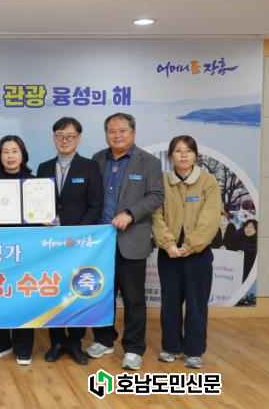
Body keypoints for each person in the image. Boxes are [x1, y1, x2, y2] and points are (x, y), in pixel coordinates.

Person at [85, 113, 164, 371]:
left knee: (133, 298)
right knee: (101, 295)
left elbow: (156, 195)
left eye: (122, 131)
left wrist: (130, 213)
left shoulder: (149, 162)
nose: (117, 135)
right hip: (100, 243)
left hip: (131, 240)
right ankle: (104, 340)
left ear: (133, 132)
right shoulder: (97, 159)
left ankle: (133, 348)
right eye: (111, 131)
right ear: (106, 134)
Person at [36, 117, 103, 366]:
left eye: (70, 136)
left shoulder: (90, 167)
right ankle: (56, 342)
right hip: (51, 244)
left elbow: (96, 205)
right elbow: (37, 204)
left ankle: (75, 343)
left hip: (80, 243)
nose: (65, 140)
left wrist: (78, 234)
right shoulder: (43, 168)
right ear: (54, 138)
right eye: (60, 135)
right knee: (54, 291)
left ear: (79, 138)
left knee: (77, 291)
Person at [151, 135, 220, 369]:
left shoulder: (208, 181)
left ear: (195, 155)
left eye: (188, 151)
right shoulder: (161, 181)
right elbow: (156, 216)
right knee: (170, 302)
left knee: (196, 303)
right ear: (171, 155)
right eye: (178, 150)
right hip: (169, 253)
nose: (183, 155)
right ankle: (171, 347)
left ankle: (194, 351)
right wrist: (168, 244)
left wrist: (190, 245)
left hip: (198, 254)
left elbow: (210, 219)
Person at [0, 135, 36, 365]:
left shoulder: (35, 183)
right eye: (6, 152)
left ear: (23, 154)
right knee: (0, 295)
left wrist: (46, 220)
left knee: (25, 296)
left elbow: (45, 213)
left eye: (15, 151)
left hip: (27, 250)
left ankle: (24, 346)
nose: (10, 156)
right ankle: (0, 343)